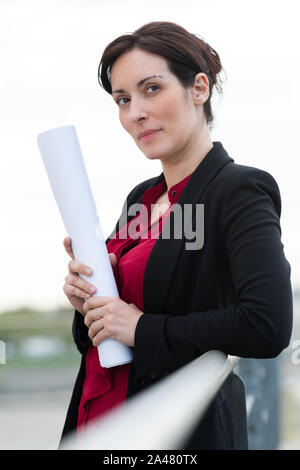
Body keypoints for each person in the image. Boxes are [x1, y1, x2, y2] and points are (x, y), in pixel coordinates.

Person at [59, 21, 293, 450]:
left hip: (178, 432)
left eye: (151, 89)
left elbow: (268, 325)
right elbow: (104, 331)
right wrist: (88, 302)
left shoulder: (238, 190)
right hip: (101, 416)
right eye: (123, 99)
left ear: (198, 88)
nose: (135, 113)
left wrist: (144, 329)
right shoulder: (141, 198)